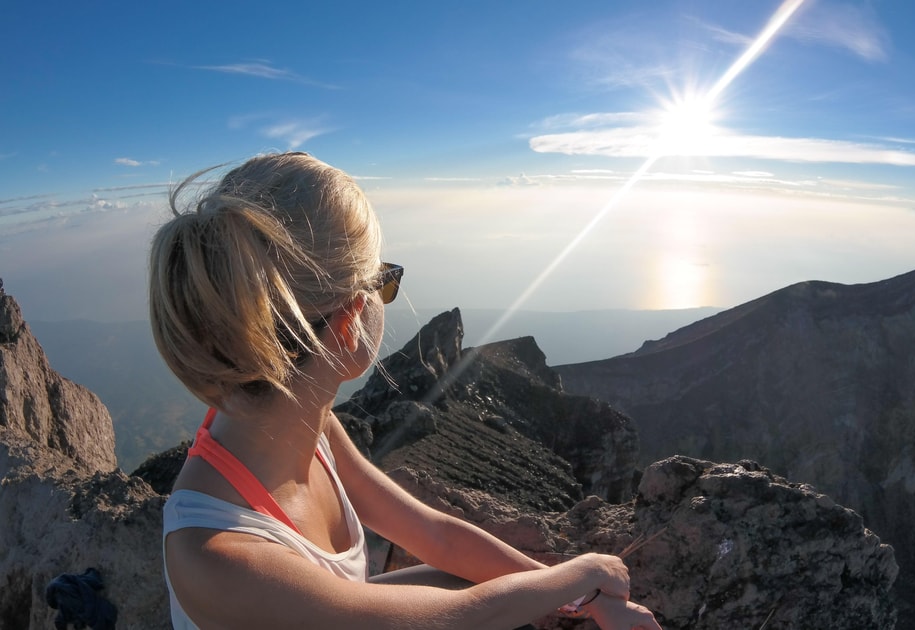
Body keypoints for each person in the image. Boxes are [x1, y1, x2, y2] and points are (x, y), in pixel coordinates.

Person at [151, 152, 662, 629]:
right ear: (350, 321)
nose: (388, 295)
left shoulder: (308, 426)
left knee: (494, 586)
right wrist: (584, 572)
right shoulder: (216, 556)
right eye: (384, 280)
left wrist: (580, 598)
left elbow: (435, 535)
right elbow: (454, 620)